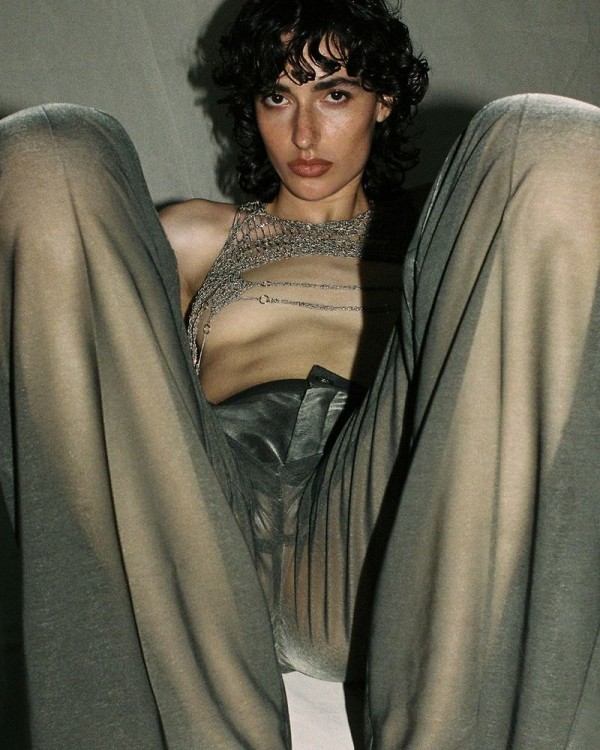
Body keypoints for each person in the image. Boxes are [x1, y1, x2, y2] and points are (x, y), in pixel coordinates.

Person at [0, 0, 598, 747]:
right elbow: (99, 367)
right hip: (205, 532)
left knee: (546, 138)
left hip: (376, 537)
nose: (304, 134)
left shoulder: (442, 237)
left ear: (384, 101)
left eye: (334, 94)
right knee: (50, 149)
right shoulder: (192, 234)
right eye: (277, 96)